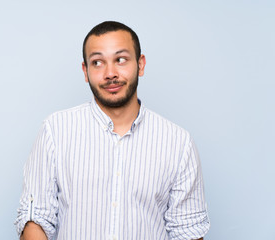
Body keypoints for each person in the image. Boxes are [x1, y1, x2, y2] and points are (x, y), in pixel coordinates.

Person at [15, 21, 210, 240]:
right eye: (97, 62)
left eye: (120, 60)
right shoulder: (55, 131)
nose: (110, 73)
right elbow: (36, 220)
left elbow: (187, 231)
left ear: (140, 64)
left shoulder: (178, 143)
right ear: (85, 71)